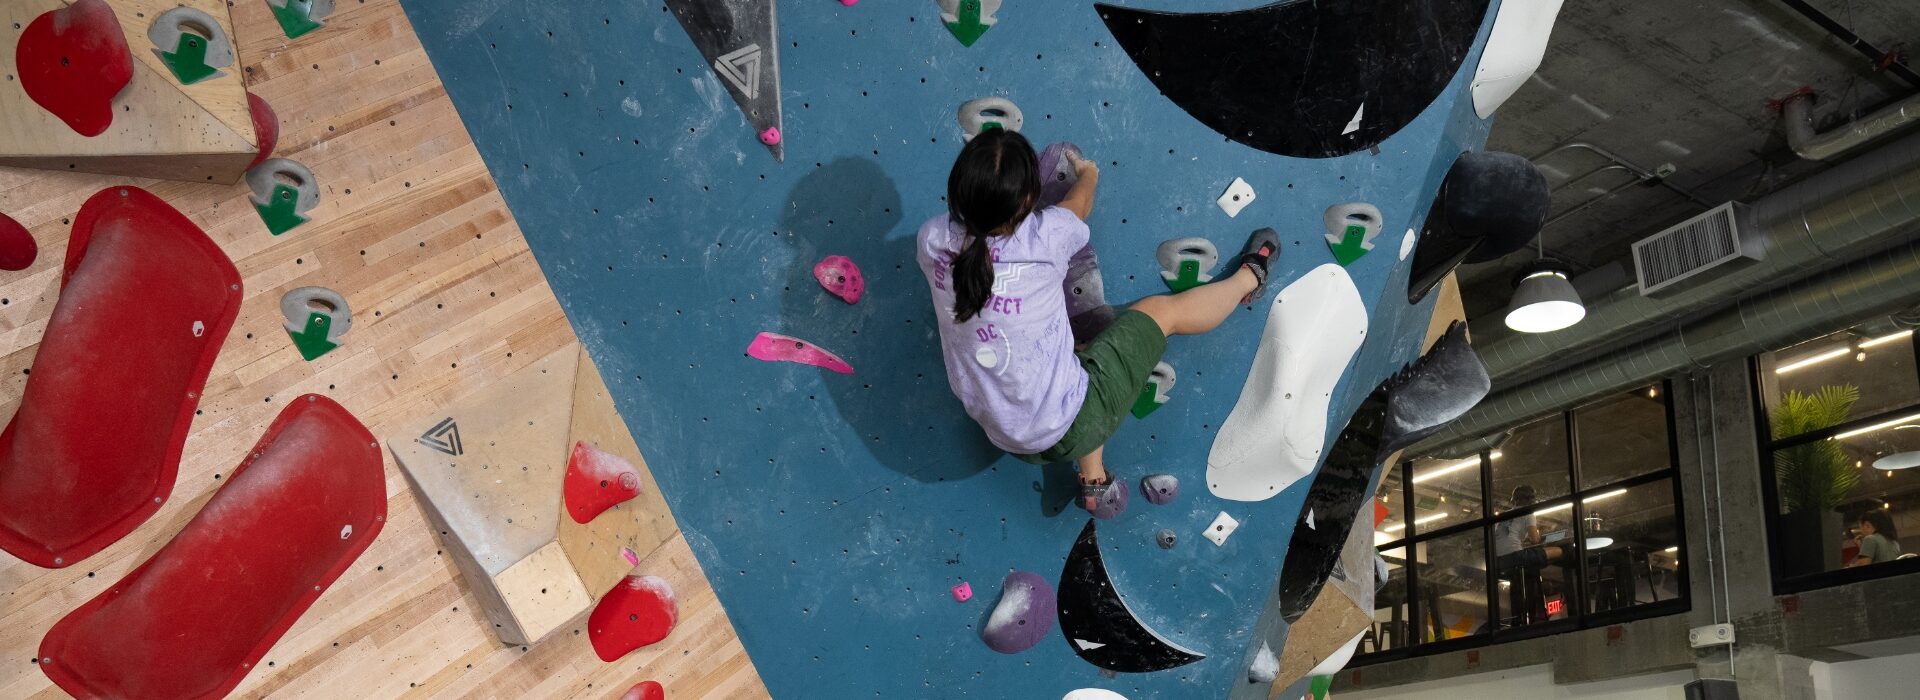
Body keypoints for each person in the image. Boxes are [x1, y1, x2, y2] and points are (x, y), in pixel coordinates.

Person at [915, 129, 1278, 517]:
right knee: (1162, 313)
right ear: (1025, 201)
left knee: (1079, 349)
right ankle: (1251, 275)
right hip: (1065, 423)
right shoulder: (1045, 236)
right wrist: (1088, 173)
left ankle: (1096, 484)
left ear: (957, 190)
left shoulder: (932, 240)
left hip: (1002, 431)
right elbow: (1080, 202)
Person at [1494, 485, 1564, 623]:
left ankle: (1520, 617)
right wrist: (1541, 534)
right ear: (1532, 500)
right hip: (1516, 557)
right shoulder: (1528, 513)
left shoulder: (1503, 516)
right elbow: (1535, 540)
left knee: (1532, 562)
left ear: (1514, 500)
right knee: (1559, 551)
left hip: (1499, 562)